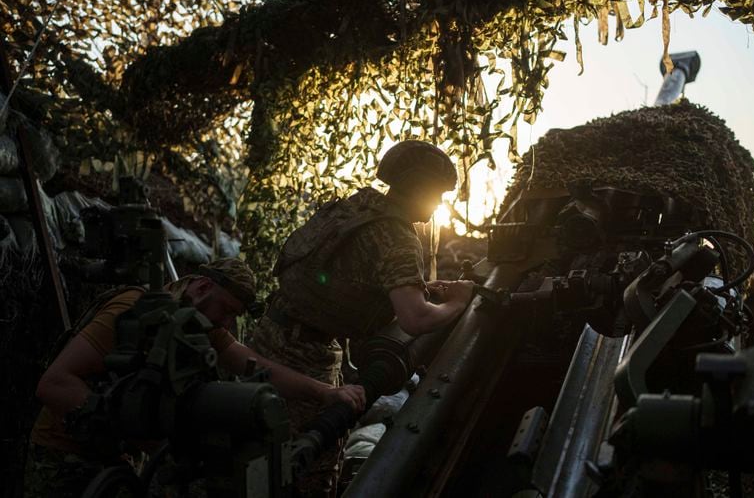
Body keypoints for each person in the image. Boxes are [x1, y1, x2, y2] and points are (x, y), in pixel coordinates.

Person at [24, 257, 365, 497]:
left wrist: (324, 392)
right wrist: (139, 433)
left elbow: (253, 364)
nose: (228, 323)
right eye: (228, 309)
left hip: (117, 458)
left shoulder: (199, 323)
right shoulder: (132, 311)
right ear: (202, 287)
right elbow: (53, 384)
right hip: (64, 456)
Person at [253, 140, 475, 497]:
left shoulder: (357, 207)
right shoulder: (398, 235)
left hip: (270, 334)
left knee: (256, 451)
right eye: (437, 193)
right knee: (307, 467)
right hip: (306, 357)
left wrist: (415, 286)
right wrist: (459, 302)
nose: (439, 203)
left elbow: (349, 273)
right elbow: (415, 319)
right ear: (418, 187)